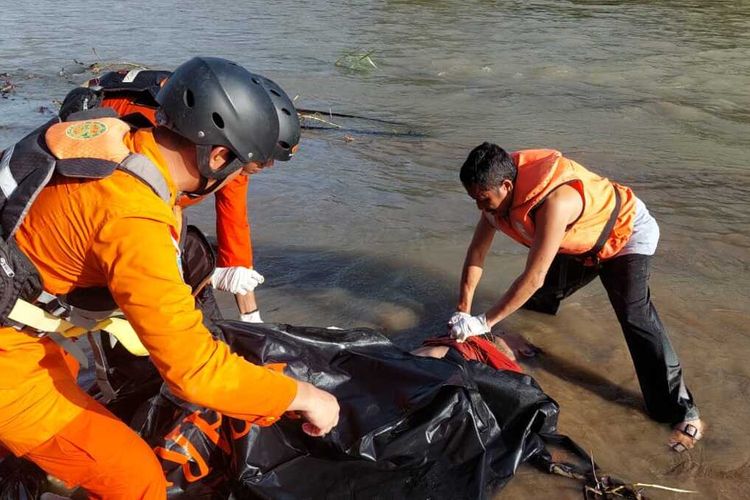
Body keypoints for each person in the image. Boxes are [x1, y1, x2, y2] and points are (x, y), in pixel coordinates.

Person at [0, 56, 338, 498]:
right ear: (218, 155)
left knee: (69, 365)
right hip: (11, 354)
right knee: (135, 478)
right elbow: (193, 371)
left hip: (20, 317)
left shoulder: (112, 135)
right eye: (239, 170)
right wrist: (305, 397)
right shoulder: (132, 217)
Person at [449, 143, 703, 453]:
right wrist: (463, 311)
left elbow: (533, 275)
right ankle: (529, 341)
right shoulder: (494, 200)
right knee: (541, 298)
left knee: (634, 316)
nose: (480, 207)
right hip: (581, 241)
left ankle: (682, 411)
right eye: (474, 200)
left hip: (624, 235)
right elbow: (477, 253)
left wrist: (482, 322)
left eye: (483, 200)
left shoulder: (556, 202)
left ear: (506, 186)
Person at [58, 67, 302, 323]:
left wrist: (251, 317)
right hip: (104, 155)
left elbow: (234, 223)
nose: (268, 168)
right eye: (265, 160)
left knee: (193, 260)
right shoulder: (161, 138)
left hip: (162, 181)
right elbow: (157, 212)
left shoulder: (233, 155)